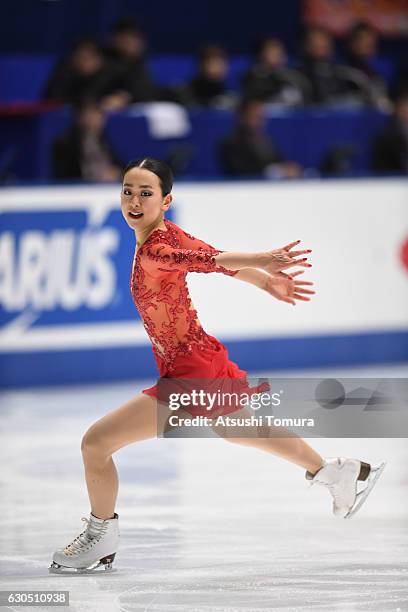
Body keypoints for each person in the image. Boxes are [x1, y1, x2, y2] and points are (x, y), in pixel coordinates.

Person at [49, 157, 386, 574]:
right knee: (238, 429)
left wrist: (264, 261)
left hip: (192, 371)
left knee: (95, 445)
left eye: (145, 193)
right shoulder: (164, 234)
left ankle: (100, 537)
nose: (134, 201)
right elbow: (211, 257)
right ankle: (338, 472)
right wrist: (264, 280)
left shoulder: (157, 246)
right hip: (197, 358)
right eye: (128, 191)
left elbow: (211, 260)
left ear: (166, 199)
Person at [218, 97, 303, 178]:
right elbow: (241, 172)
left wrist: (287, 169)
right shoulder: (230, 143)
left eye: (262, 117)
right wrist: (275, 172)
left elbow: (280, 162)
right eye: (255, 116)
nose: (260, 121)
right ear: (243, 116)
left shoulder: (266, 140)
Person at [43, 38, 129, 110]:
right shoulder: (65, 74)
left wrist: (122, 97)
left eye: (89, 58)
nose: (84, 62)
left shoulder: (111, 75)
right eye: (81, 57)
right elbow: (53, 100)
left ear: (99, 60)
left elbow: (129, 94)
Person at [52, 99, 122, 182]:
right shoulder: (66, 143)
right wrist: (96, 176)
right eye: (91, 115)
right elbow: (65, 176)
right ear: (80, 118)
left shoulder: (103, 139)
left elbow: (119, 165)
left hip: (105, 188)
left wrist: (117, 172)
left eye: (99, 115)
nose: (97, 120)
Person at [104, 16, 160, 104]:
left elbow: (146, 94)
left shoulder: (139, 64)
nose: (132, 43)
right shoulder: (102, 62)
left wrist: (126, 97)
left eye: (136, 37)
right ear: (114, 39)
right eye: (127, 37)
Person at [241, 37, 310, 107]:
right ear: (261, 54)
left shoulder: (294, 77)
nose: (277, 55)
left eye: (280, 52)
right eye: (272, 51)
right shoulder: (252, 77)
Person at [176, 43, 233, 108]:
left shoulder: (230, 96)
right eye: (211, 63)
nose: (216, 68)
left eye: (220, 63)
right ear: (200, 65)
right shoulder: (183, 94)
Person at [371, 92, 408, 174]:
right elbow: (382, 168)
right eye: (405, 107)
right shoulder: (386, 137)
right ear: (399, 110)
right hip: (393, 181)